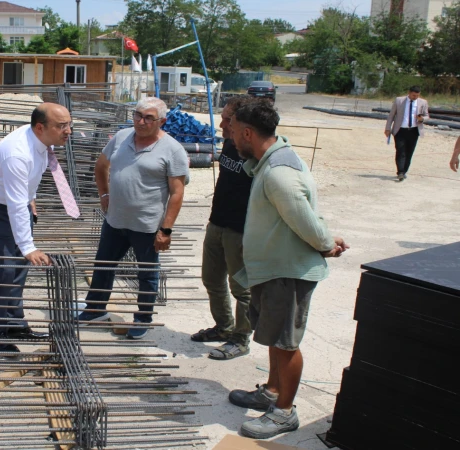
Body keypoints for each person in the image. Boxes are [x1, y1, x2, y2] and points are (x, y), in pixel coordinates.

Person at [228, 101, 349, 439]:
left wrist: (326, 243)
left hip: (286, 272)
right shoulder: (269, 162)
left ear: (249, 133)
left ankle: (284, 412)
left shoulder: (278, 172)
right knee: (272, 335)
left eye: (235, 131)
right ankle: (270, 391)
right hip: (272, 269)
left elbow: (303, 218)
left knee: (285, 343)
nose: (232, 136)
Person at [77, 97, 189, 339]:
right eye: (138, 115)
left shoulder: (173, 149)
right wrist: (104, 192)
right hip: (115, 220)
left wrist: (166, 230)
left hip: (147, 225)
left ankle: (143, 318)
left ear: (162, 121)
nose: (141, 121)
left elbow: (177, 193)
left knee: (147, 273)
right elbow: (100, 166)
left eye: (149, 117)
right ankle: (95, 308)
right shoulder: (121, 137)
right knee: (104, 266)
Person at [0, 102, 76, 353]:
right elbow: (14, 204)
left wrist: (32, 199)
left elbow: (28, 183)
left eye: (70, 124)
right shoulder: (18, 153)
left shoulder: (39, 140)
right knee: (5, 269)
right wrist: (28, 247)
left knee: (18, 267)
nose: (68, 130)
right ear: (40, 127)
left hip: (16, 202)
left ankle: (15, 322)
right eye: (62, 126)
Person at [190, 96, 255, 360]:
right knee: (212, 279)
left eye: (228, 119)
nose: (221, 123)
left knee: (242, 289)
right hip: (217, 222)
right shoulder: (230, 142)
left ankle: (241, 338)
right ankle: (224, 327)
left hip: (241, 231)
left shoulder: (255, 152)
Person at [384, 85, 429, 181]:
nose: (415, 97)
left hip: (413, 130)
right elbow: (391, 115)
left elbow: (427, 115)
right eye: (413, 95)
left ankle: (404, 171)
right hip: (400, 130)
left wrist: (422, 119)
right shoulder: (399, 100)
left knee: (409, 152)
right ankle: (400, 172)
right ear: (409, 93)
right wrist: (388, 128)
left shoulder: (423, 102)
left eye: (417, 95)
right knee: (400, 151)